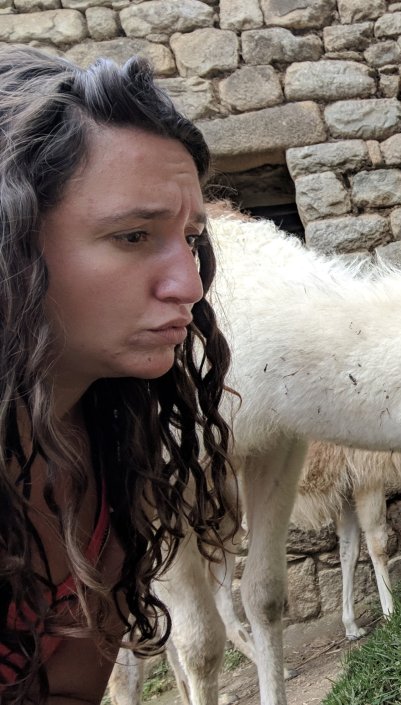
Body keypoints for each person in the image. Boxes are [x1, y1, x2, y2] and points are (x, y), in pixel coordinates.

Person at [0, 46, 236, 703]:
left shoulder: (111, 447)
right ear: (12, 242)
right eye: (133, 236)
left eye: (191, 238)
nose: (189, 285)